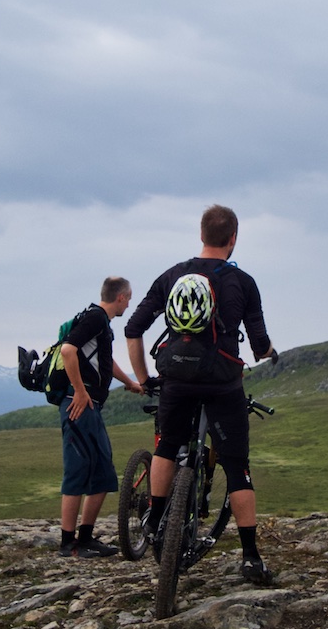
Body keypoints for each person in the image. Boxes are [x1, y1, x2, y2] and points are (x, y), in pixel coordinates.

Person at [124, 204, 279, 586]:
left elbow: (132, 328)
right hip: (223, 383)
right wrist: (269, 352)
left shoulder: (173, 275)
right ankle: (251, 557)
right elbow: (258, 344)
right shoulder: (242, 282)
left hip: (176, 379)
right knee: (237, 466)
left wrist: (144, 377)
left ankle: (157, 522)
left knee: (165, 448)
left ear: (201, 235)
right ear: (233, 239)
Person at [56, 277, 146, 557]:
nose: (129, 304)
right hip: (78, 404)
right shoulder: (96, 318)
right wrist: (81, 392)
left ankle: (85, 538)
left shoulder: (100, 323)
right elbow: (68, 350)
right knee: (78, 469)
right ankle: (68, 543)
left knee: (102, 472)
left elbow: (103, 361)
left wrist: (128, 382)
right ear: (120, 297)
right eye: (129, 299)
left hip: (90, 405)